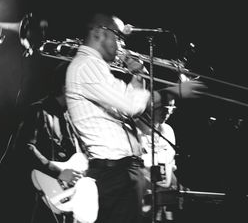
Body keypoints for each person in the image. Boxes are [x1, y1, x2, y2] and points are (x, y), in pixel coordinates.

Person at [65, 12, 206, 223]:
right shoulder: (86, 65)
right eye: (118, 37)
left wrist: (138, 75)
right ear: (98, 33)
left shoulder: (98, 68)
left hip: (123, 172)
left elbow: (132, 103)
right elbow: (132, 105)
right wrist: (173, 91)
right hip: (113, 174)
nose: (122, 45)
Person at [0, 62, 84, 223]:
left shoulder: (69, 118)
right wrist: (58, 172)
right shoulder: (38, 110)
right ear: (66, 87)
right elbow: (26, 148)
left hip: (50, 197)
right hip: (24, 195)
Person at [136, 99, 181, 222]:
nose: (168, 112)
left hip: (165, 193)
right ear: (151, 105)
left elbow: (170, 161)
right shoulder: (136, 128)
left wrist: (169, 182)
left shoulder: (168, 130)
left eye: (172, 108)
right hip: (143, 192)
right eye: (165, 108)